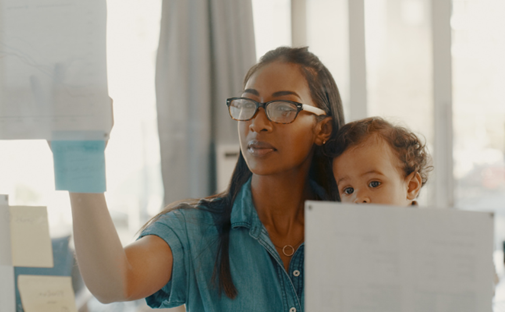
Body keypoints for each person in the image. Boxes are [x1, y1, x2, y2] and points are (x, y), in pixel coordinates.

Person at [68, 46, 345, 311]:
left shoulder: (350, 232)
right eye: (248, 104)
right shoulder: (197, 231)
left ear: (322, 128)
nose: (257, 123)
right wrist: (80, 161)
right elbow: (115, 283)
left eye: (283, 107)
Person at [325, 116, 432, 206]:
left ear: (411, 187)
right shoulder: (344, 229)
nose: (358, 199)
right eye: (348, 190)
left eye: (374, 184)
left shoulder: (428, 229)